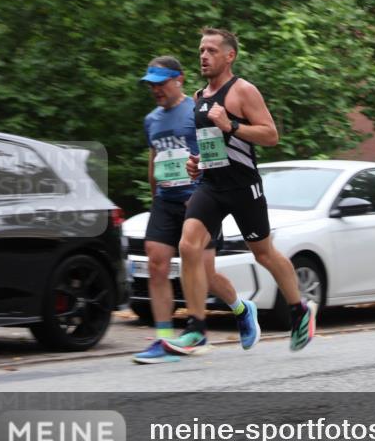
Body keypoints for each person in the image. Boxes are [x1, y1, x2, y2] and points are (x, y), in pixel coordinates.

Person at [169, 27, 316, 355]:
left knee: (263, 253)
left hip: (243, 185)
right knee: (188, 246)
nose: (204, 56)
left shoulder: (243, 91)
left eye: (211, 51)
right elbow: (212, 147)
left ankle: (298, 309)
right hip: (211, 185)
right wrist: (198, 163)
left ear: (229, 55)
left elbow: (271, 135)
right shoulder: (198, 97)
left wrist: (231, 125)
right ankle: (195, 327)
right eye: (201, 51)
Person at [132, 56, 259, 364]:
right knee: (157, 262)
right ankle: (164, 340)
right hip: (165, 199)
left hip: (198, 198)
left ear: (179, 79)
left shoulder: (196, 110)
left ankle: (242, 309)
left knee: (205, 271)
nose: (156, 90)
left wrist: (208, 190)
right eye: (152, 85)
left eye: (161, 83)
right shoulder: (152, 120)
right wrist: (154, 198)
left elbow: (217, 151)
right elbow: (155, 159)